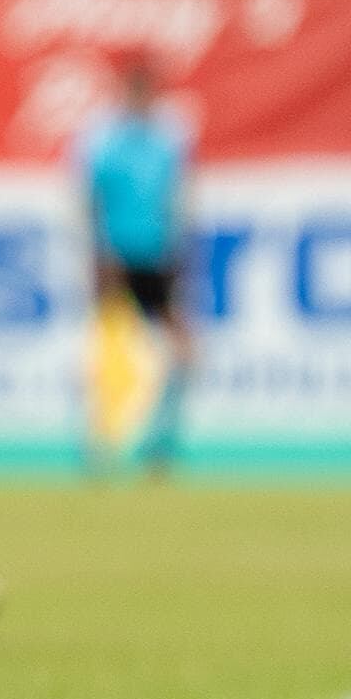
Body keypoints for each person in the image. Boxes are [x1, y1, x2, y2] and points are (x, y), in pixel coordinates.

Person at [73, 52, 196, 476]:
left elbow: (177, 199)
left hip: (157, 257)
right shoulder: (103, 140)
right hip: (115, 259)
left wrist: (181, 251)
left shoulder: (168, 140)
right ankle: (100, 443)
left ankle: (159, 442)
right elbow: (89, 200)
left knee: (183, 353)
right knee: (108, 351)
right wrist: (95, 253)